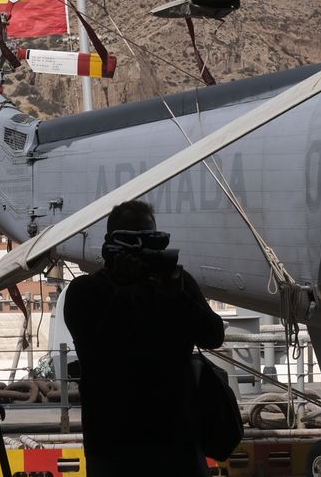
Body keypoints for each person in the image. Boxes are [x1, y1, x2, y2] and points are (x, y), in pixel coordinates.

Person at [62, 200, 226, 476]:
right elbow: (98, 354)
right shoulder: (87, 291)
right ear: (112, 245)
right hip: (119, 448)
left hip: (173, 444)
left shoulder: (175, 282)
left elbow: (213, 335)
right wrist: (125, 294)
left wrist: (177, 297)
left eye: (149, 239)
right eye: (132, 240)